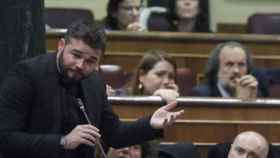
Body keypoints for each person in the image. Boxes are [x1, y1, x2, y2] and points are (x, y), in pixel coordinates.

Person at [0, 20, 184, 158]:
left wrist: (150, 123)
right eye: (76, 55)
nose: (81, 65)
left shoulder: (94, 82)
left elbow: (114, 134)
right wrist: (62, 141)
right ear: (61, 46)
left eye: (90, 61)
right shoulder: (26, 75)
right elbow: (5, 138)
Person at [192, 41, 269, 99]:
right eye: (229, 64)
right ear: (216, 69)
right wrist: (239, 102)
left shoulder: (255, 93)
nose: (236, 71)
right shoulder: (202, 95)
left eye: (241, 64)